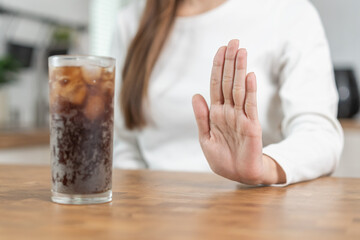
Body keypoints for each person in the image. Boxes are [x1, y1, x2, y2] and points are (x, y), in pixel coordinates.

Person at [110, 0, 343, 186]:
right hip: (153, 216)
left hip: (255, 210)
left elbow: (319, 133)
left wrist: (263, 167)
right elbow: (123, 141)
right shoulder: (131, 20)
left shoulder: (289, 13)